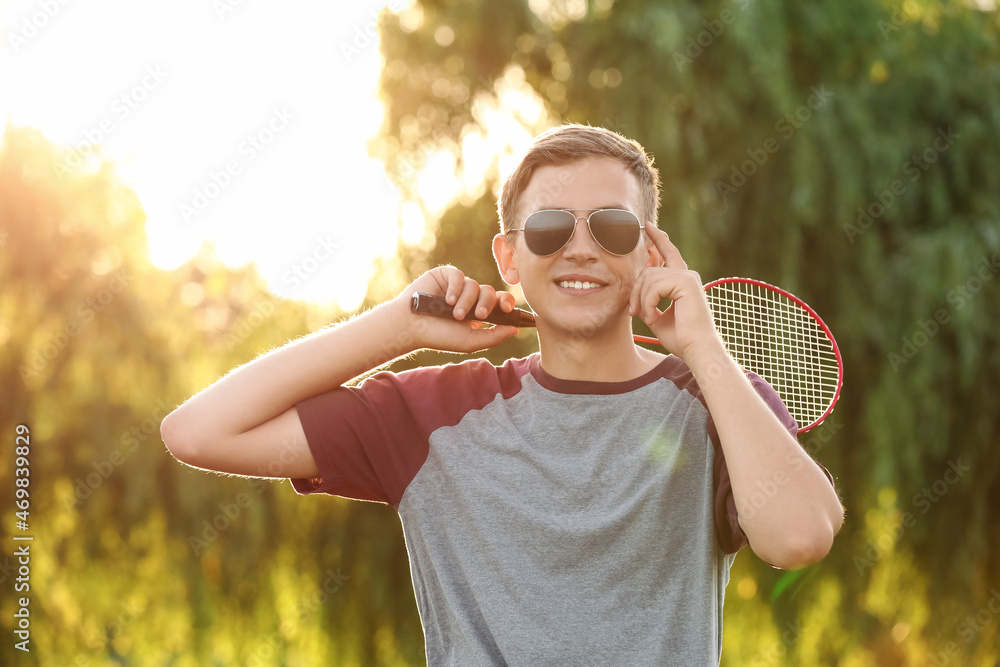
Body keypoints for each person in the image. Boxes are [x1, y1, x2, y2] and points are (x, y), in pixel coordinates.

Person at [161, 124, 843, 665]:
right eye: (549, 229)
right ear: (510, 257)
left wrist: (704, 347)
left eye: (611, 227)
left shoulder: (719, 400)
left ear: (648, 254)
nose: (580, 249)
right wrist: (398, 325)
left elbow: (801, 535)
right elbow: (198, 430)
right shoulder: (429, 414)